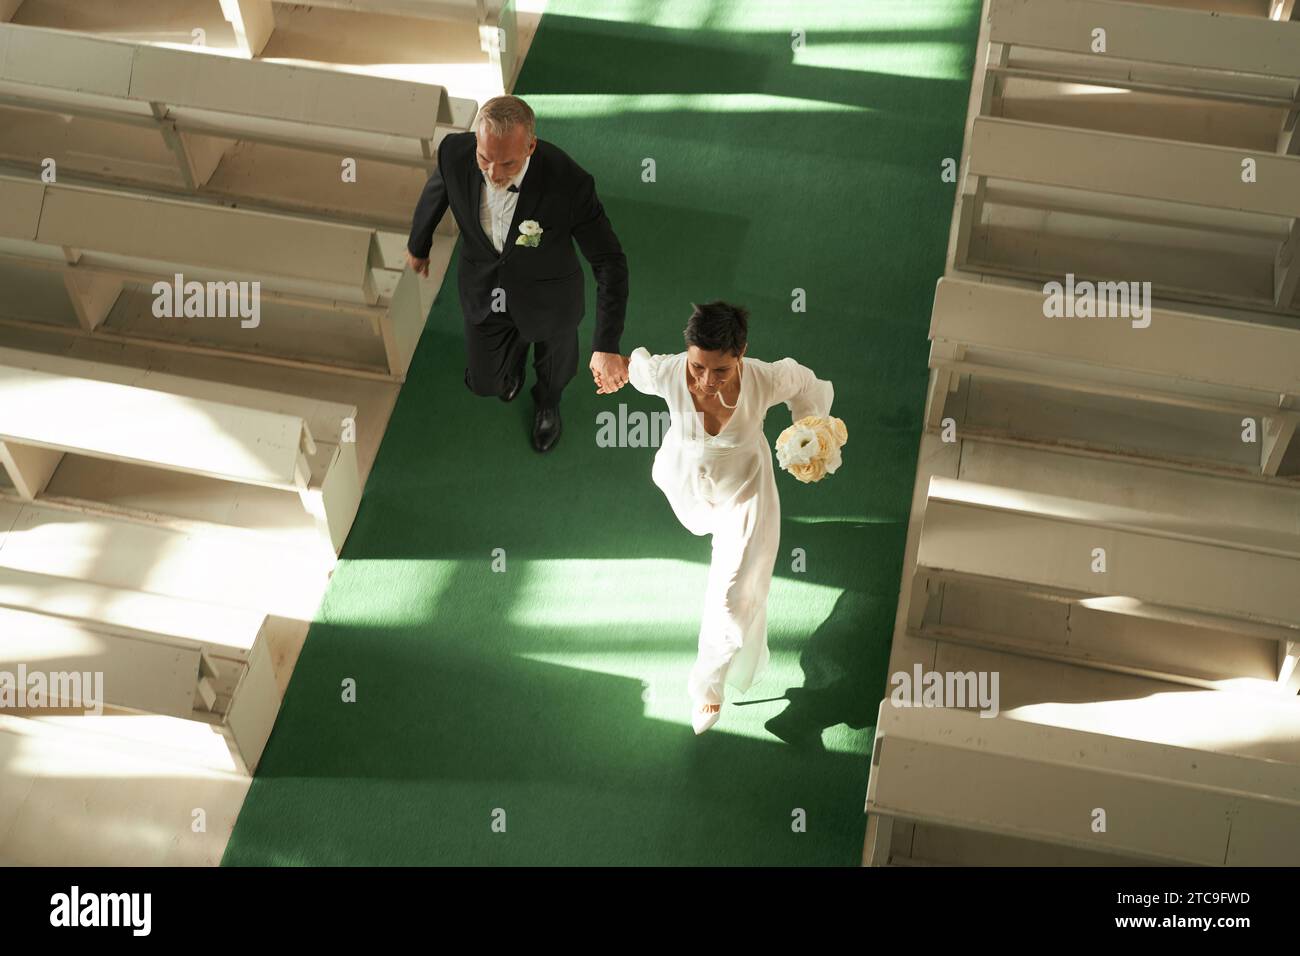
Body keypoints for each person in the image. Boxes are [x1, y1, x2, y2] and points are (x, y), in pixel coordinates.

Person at [626, 302, 835, 734]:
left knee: (734, 595)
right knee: (711, 543)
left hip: (745, 489)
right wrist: (608, 363)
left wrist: (807, 433)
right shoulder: (670, 371)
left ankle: (707, 688)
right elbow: (634, 369)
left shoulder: (767, 377)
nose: (704, 381)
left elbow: (809, 388)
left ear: (741, 354)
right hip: (686, 481)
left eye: (719, 371)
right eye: (698, 367)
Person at [406, 95, 630, 452]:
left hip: (549, 300)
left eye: (507, 163)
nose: (493, 173)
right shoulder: (454, 152)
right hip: (484, 289)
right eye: (484, 158)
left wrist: (606, 345)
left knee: (556, 372)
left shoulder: (569, 183)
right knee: (484, 382)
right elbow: (440, 189)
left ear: (531, 146)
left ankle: (547, 405)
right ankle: (509, 366)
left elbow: (610, 262)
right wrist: (419, 244)